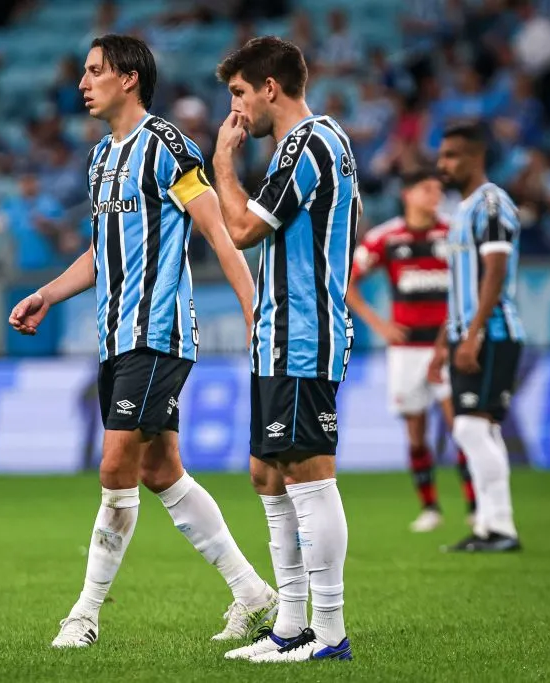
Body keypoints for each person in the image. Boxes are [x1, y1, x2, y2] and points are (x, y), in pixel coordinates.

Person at [7, 34, 277, 649]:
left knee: (115, 465)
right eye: (83, 70)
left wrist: (252, 307)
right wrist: (47, 294)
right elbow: (104, 252)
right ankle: (251, 591)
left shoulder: (167, 148)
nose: (83, 81)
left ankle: (85, 614)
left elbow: (216, 229)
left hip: (158, 336)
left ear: (128, 78)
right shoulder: (103, 158)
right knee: (160, 470)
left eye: (95, 70)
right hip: (115, 336)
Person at [213, 36, 357, 663]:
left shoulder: (307, 144)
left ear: (270, 87)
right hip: (278, 333)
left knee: (306, 472)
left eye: (240, 94)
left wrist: (222, 163)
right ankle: (291, 629)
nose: (237, 110)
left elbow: (241, 230)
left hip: (303, 332)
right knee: (267, 473)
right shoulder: (317, 146)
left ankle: (328, 634)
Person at [346, 168, 477, 533]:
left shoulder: (454, 233)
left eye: (438, 189)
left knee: (461, 427)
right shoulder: (385, 238)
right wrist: (379, 325)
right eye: (426, 189)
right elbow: (346, 282)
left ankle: (475, 507)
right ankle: (430, 508)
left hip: (447, 347)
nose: (435, 196)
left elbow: (472, 286)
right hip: (406, 351)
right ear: (407, 194)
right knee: (416, 432)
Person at [430, 122, 524, 553]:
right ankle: (489, 527)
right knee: (481, 430)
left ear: (474, 156)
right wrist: (445, 344)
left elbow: (496, 270)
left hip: (492, 332)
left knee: (470, 427)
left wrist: (473, 334)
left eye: (450, 155)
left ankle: (501, 527)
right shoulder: (464, 208)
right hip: (466, 333)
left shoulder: (490, 203)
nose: (441, 163)